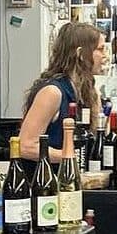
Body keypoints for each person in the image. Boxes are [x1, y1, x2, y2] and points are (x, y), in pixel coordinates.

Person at [21, 22, 107, 162]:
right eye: (100, 49)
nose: (105, 56)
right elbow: (26, 146)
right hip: (48, 180)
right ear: (80, 54)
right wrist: (69, 157)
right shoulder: (52, 92)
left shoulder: (89, 91)